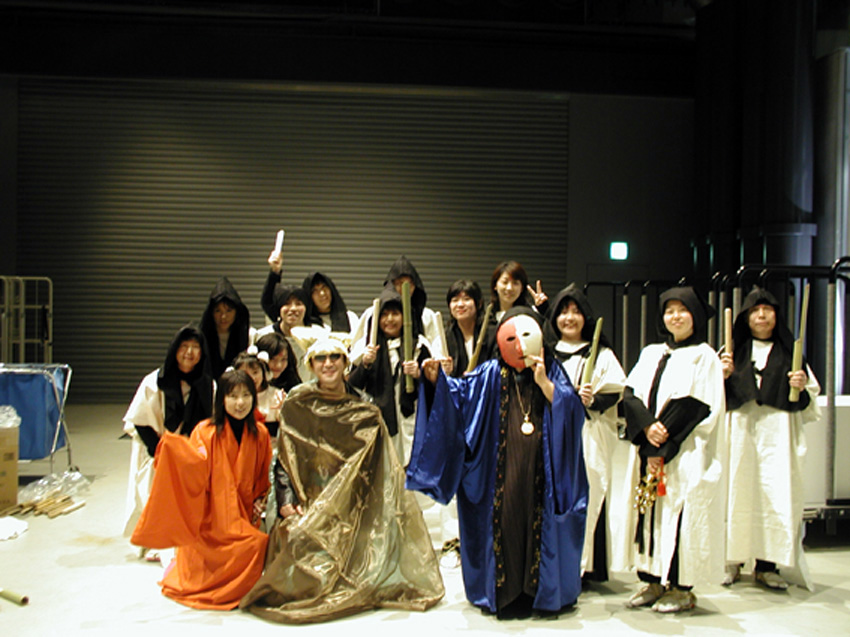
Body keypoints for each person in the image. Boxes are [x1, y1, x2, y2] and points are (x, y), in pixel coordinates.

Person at [240, 337, 445, 624]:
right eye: (321, 358)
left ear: (346, 363)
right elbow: (285, 462)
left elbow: (379, 467)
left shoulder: (365, 407)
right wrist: (287, 501)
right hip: (309, 498)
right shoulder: (298, 402)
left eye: (334, 357)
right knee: (294, 535)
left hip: (354, 504)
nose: (328, 364)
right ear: (311, 365)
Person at [408, 306, 587, 619]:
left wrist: (545, 384)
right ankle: (505, 593)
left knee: (537, 525)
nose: (519, 345)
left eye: (527, 336)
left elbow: (572, 412)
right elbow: (460, 397)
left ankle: (538, 592)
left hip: (542, 474)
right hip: (499, 473)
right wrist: (437, 380)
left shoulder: (553, 370)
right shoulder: (490, 373)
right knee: (506, 522)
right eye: (511, 338)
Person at [620, 286, 725, 613]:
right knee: (648, 513)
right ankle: (652, 580)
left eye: (682, 310)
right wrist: (646, 428)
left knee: (680, 515)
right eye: (669, 311)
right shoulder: (652, 353)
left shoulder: (705, 356)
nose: (675, 316)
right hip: (649, 447)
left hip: (683, 451)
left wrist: (662, 443)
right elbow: (630, 394)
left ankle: (681, 589)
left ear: (695, 315)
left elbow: (700, 405)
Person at [130, 370, 272, 610]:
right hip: (209, 517)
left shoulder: (260, 434)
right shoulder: (205, 431)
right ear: (221, 399)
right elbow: (192, 469)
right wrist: (171, 448)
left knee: (256, 542)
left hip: (242, 515)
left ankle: (236, 589)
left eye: (246, 395)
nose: (240, 403)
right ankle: (217, 588)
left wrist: (260, 500)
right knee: (252, 543)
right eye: (232, 396)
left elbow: (261, 478)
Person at [720, 286, 820, 591]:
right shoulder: (731, 351)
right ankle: (732, 561)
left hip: (777, 436)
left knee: (774, 494)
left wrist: (801, 385)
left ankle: (767, 565)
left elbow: (809, 403)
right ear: (746, 318)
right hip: (740, 433)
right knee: (737, 492)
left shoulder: (791, 353)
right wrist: (721, 376)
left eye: (767, 310)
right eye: (755, 310)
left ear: (776, 316)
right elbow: (710, 397)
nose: (761, 315)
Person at [545, 283, 626, 584]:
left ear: (586, 318)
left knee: (588, 494)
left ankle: (584, 565)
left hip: (587, 436)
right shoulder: (547, 353)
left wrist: (592, 400)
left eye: (576, 312)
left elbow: (615, 391)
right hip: (552, 434)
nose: (569, 318)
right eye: (563, 312)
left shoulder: (600, 354)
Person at [122, 324, 214, 541]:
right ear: (175, 349)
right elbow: (140, 419)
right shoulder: (155, 381)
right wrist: (160, 450)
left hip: (190, 452)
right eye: (184, 346)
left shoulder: (207, 384)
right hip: (157, 448)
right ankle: (153, 541)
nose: (189, 352)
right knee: (153, 495)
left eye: (195, 347)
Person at [348, 285, 431, 466]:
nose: (390, 319)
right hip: (378, 417)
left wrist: (419, 375)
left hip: (411, 417)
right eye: (384, 314)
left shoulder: (419, 345)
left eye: (395, 313)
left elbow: (434, 386)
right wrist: (365, 364)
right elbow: (352, 386)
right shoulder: (367, 346)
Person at [350, 255, 445, 362]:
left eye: (408, 284)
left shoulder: (427, 315)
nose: (403, 289)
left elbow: (436, 347)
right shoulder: (373, 312)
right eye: (398, 284)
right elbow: (357, 347)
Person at [255, 283, 314, 383]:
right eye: (287, 303)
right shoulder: (262, 335)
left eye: (298, 303)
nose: (293, 308)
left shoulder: (316, 336)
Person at [199, 277, 252, 378]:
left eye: (229, 311)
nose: (223, 316)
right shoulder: (201, 337)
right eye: (218, 311)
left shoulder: (249, 335)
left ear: (237, 312)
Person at [443, 279, 495, 377]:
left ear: (479, 303)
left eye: (466, 299)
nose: (460, 305)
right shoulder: (444, 337)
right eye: (455, 300)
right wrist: (444, 371)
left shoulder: (492, 333)